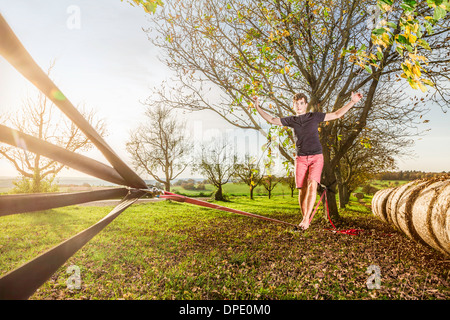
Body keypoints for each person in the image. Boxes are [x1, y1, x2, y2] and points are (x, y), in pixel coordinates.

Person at [253, 92, 363, 230]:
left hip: (316, 157)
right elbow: (272, 120)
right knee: (302, 190)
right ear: (293, 105)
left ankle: (306, 220)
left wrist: (352, 102)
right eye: (296, 104)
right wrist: (257, 107)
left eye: (301, 103)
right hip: (300, 158)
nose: (299, 106)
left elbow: (336, 115)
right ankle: (304, 218)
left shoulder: (314, 116)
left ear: (306, 104)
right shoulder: (292, 120)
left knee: (312, 184)